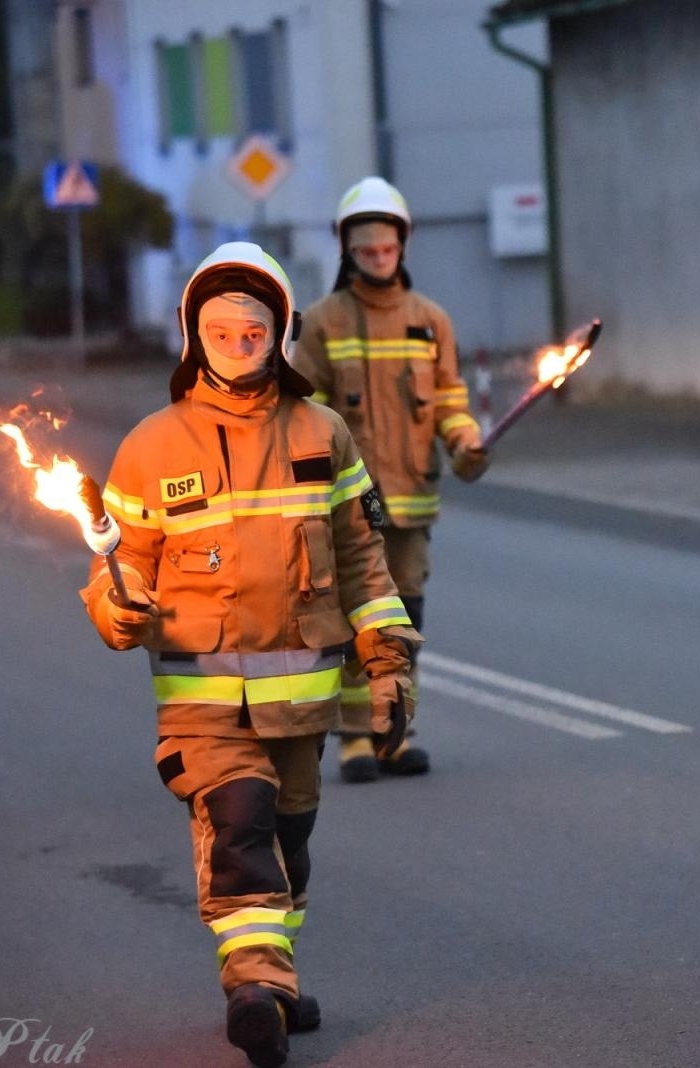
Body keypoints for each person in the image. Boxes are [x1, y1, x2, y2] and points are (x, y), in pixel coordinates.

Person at [80, 242, 420, 1066]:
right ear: (195, 338)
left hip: (302, 696)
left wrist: (388, 657)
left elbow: (363, 559)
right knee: (241, 825)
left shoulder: (322, 432)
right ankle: (254, 991)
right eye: (222, 332)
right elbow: (117, 570)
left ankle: (276, 975)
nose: (239, 344)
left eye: (254, 331)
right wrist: (117, 609)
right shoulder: (150, 448)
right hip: (202, 705)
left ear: (281, 334)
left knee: (289, 842)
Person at [292, 176, 489, 783]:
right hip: (347, 509)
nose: (378, 259)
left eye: (386, 249)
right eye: (366, 250)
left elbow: (451, 399)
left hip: (412, 504)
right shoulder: (323, 322)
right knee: (357, 623)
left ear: (403, 245)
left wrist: (466, 441)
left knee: (403, 627)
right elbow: (302, 416)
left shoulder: (431, 321)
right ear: (347, 250)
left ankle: (394, 738)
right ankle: (354, 738)